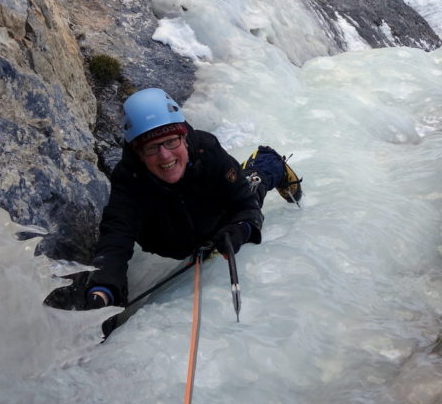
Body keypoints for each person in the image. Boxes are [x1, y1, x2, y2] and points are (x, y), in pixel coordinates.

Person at [44, 87, 302, 312]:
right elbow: (115, 239)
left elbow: (245, 205)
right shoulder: (129, 179)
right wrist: (102, 291)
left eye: (170, 141)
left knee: (253, 185)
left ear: (184, 137)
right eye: (151, 147)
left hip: (220, 223)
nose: (165, 156)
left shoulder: (206, 151)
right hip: (175, 242)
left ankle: (270, 160)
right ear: (138, 152)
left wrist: (241, 229)